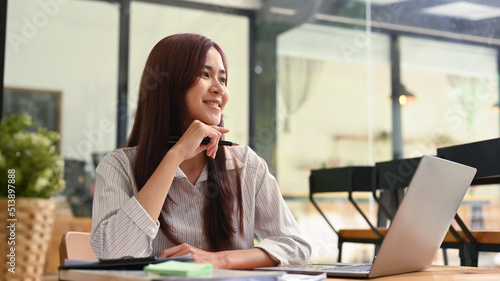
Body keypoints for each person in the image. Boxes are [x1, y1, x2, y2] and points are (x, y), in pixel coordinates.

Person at [90, 33, 311, 269]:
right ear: (170, 83)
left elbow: (296, 247)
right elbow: (112, 255)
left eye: (223, 80)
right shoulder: (119, 166)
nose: (219, 89)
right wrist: (173, 157)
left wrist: (221, 259)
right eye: (205, 74)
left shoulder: (246, 164)